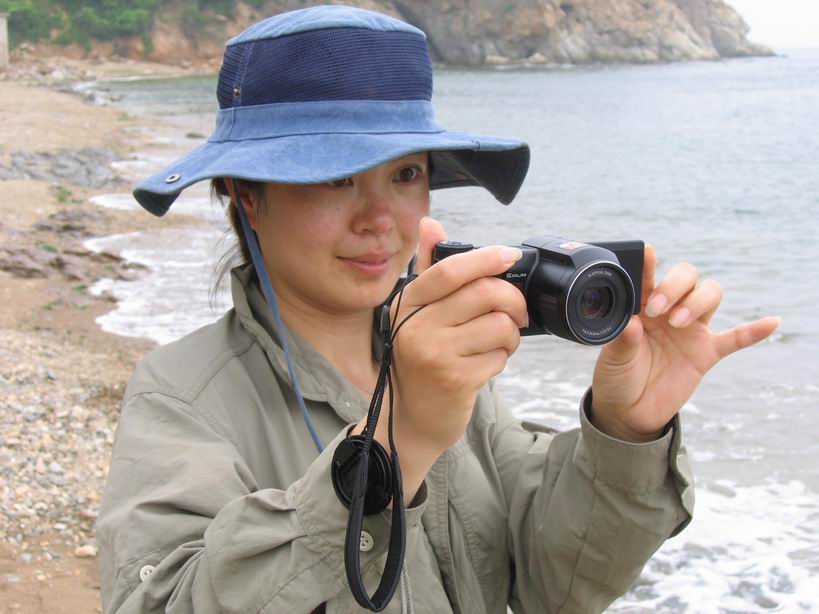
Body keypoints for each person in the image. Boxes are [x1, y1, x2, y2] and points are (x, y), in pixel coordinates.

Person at [95, 5, 780, 613]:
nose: (379, 219)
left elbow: (554, 584)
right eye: (335, 177)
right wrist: (393, 446)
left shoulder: (444, 366)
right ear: (248, 196)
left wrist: (625, 431)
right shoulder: (182, 395)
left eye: (405, 174)